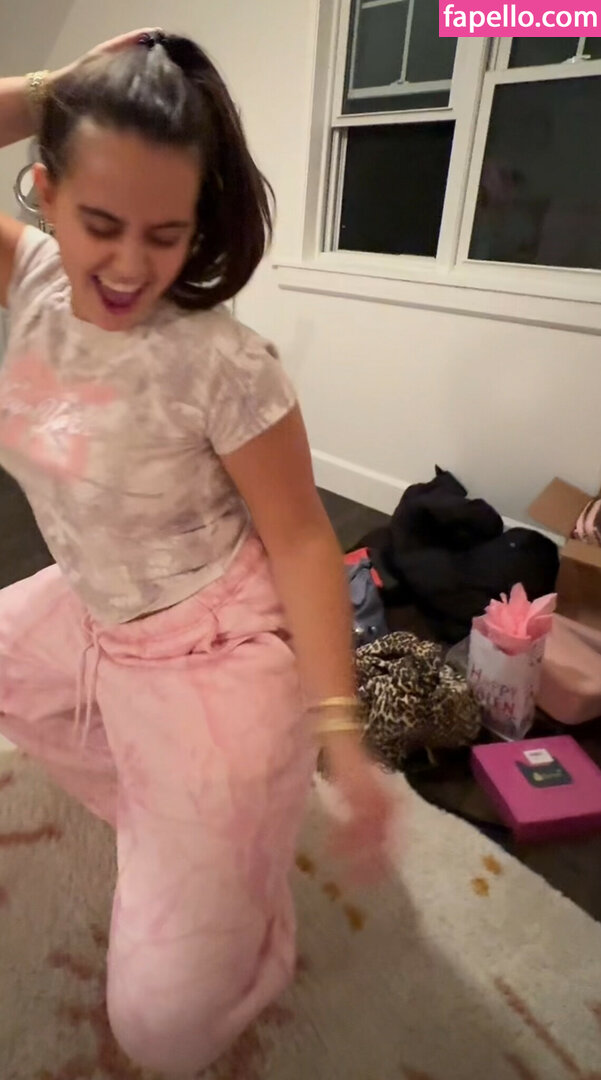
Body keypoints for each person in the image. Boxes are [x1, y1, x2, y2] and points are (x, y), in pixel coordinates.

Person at [0, 28, 395, 1077]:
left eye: (165, 235)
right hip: (92, 611)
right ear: (46, 190)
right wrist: (54, 86)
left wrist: (341, 733)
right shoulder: (28, 277)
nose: (130, 266)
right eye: (100, 224)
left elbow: (304, 539)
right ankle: (181, 830)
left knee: (164, 1034)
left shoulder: (222, 362)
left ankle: (236, 865)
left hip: (210, 652)